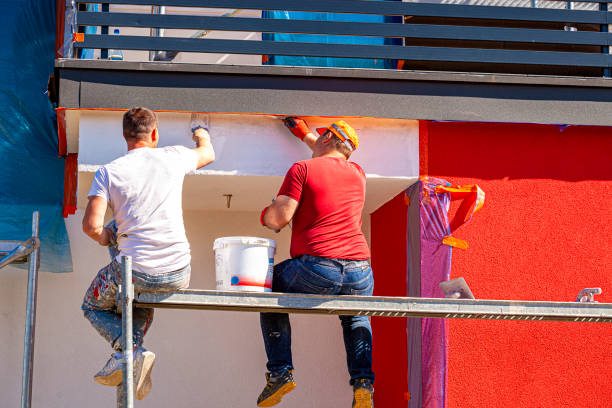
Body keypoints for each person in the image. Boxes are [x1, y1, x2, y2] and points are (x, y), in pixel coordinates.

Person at [81, 108, 214, 400]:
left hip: (136, 272)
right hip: (178, 273)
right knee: (136, 288)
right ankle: (129, 352)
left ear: (124, 136)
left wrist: (107, 237)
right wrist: (200, 130)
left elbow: (91, 227)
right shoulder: (173, 156)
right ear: (154, 134)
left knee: (92, 305)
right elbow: (207, 153)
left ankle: (128, 349)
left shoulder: (109, 172)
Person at [257, 117, 375, 408]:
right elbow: (331, 154)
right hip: (360, 271)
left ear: (327, 139)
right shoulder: (358, 172)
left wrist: (267, 212)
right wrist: (307, 134)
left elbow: (278, 219)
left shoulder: (302, 169)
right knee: (357, 316)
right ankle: (363, 384)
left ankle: (281, 372)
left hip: (317, 269)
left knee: (268, 289)